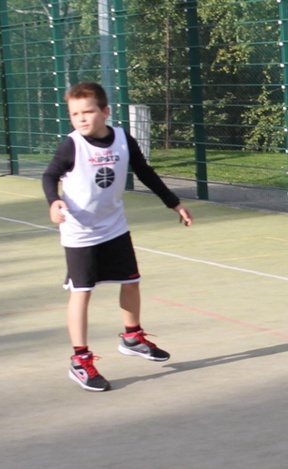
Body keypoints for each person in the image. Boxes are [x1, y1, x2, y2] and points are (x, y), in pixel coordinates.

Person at [42, 82, 193, 392]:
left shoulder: (123, 139)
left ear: (105, 111)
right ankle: (80, 359)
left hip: (113, 226)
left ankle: (132, 337)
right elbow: (49, 175)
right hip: (80, 232)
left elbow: (145, 172)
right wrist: (53, 201)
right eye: (75, 114)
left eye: (88, 111)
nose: (81, 119)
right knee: (82, 291)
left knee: (131, 280)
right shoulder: (71, 145)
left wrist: (174, 202)